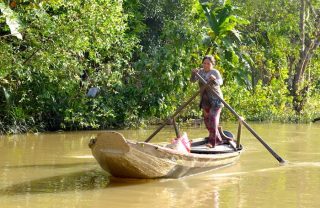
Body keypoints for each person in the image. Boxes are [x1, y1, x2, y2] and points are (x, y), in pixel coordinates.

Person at [190, 55, 224, 148]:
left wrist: (214, 79)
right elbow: (192, 80)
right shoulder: (200, 72)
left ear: (212, 64)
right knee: (207, 121)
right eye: (204, 63)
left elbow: (220, 82)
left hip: (216, 100)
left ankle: (212, 142)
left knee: (213, 119)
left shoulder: (215, 72)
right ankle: (219, 139)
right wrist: (193, 73)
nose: (206, 65)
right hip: (205, 100)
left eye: (208, 63)